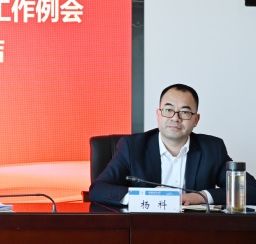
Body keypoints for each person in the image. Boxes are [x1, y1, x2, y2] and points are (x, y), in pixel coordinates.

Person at [89, 83, 256, 207]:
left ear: (196, 120)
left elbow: (250, 189)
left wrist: (200, 196)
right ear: (158, 114)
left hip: (196, 232)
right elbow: (98, 189)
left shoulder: (212, 149)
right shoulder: (132, 147)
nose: (175, 118)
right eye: (168, 110)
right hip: (143, 230)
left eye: (185, 112)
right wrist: (144, 196)